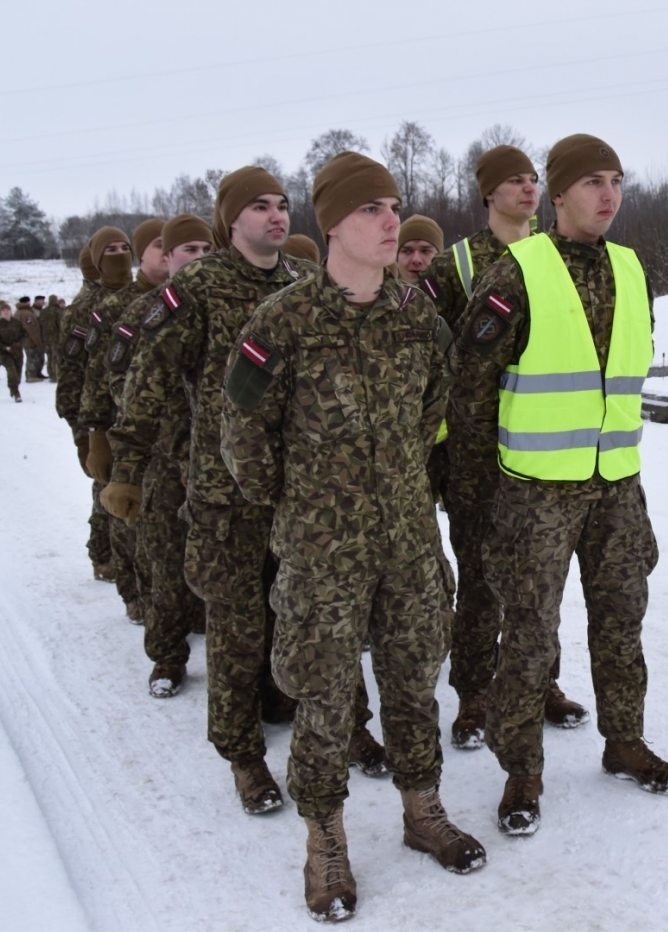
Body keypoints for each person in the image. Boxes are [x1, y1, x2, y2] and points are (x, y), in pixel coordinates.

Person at [221, 152, 485, 922]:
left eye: (394, 206)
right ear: (331, 222)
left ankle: (422, 810)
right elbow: (243, 436)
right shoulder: (282, 323)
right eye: (372, 209)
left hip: (406, 537)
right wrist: (299, 511)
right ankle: (325, 840)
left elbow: (435, 409)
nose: (390, 220)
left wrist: (403, 487)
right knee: (325, 696)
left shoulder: (418, 318)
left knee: (412, 681)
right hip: (321, 551)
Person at [103, 167, 386, 819]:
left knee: (311, 615)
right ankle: (243, 753)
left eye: (282, 205)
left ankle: (331, 720)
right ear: (231, 220)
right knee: (236, 625)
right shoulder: (196, 289)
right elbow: (147, 378)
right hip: (223, 494)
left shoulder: (302, 286)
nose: (275, 215)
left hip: (296, 492)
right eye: (259, 206)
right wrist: (126, 466)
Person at [452, 134, 668, 837]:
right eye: (590, 182)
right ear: (557, 195)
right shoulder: (517, 270)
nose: (607, 194)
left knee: (621, 623)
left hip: (615, 485)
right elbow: (469, 385)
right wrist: (482, 490)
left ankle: (624, 741)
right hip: (536, 492)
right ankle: (520, 771)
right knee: (527, 636)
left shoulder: (633, 268)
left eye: (615, 180)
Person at [432, 146, 590, 751]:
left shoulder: (556, 255)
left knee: (540, 581)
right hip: (477, 455)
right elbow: (439, 355)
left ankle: (540, 683)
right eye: (513, 181)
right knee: (479, 579)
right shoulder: (459, 265)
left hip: (543, 453)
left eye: (533, 179)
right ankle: (473, 693)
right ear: (488, 193)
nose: (528, 188)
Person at [97, 214, 212, 697]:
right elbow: (118, 383)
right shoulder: (146, 313)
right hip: (165, 460)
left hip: (216, 462)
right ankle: (167, 656)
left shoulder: (226, 308)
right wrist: (120, 454)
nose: (198, 260)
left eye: (207, 250)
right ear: (167, 258)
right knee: (163, 560)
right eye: (188, 251)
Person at [80, 218, 168, 623]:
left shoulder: (188, 298)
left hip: (174, 435)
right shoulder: (117, 308)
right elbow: (95, 377)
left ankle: (173, 603)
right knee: (129, 522)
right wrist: (93, 434)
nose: (167, 253)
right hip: (126, 430)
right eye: (158, 245)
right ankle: (136, 594)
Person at [59, 228, 133, 586]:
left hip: (134, 410)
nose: (120, 255)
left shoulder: (147, 296)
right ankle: (102, 553)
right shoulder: (86, 309)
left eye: (125, 248)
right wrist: (82, 429)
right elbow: (72, 372)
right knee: (105, 487)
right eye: (111, 250)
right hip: (99, 413)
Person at [0, 302, 26, 402]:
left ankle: (14, 387)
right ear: (0, 312)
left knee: (18, 374)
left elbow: (24, 334)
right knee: (12, 372)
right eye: (3, 311)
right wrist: (4, 347)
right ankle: (16, 393)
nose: (6, 312)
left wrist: (19, 344)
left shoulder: (16, 323)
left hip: (17, 351)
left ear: (11, 311)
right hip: (5, 352)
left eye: (7, 310)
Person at [14, 296, 45, 382]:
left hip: (22, 339)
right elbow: (32, 329)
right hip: (29, 340)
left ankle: (34, 374)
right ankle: (31, 376)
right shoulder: (27, 314)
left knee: (31, 357)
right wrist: (38, 341)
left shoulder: (18, 312)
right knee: (32, 357)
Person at [39, 295, 62, 382]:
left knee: (49, 356)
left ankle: (50, 374)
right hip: (55, 337)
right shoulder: (58, 311)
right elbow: (61, 324)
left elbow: (40, 324)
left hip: (46, 337)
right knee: (55, 357)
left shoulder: (43, 311)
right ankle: (55, 375)